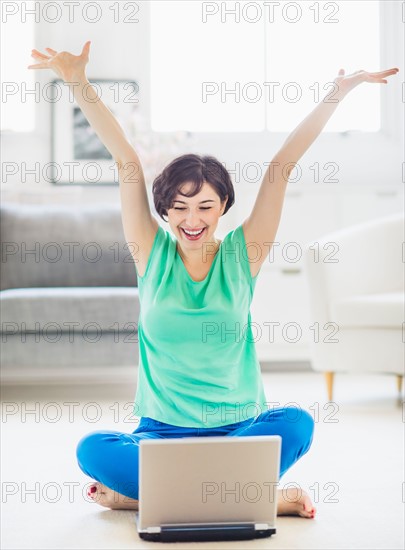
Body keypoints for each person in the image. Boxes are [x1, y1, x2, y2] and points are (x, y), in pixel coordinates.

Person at [28, 42, 398, 518]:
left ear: (224, 206)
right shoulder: (150, 253)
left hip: (238, 431)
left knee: (298, 423)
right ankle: (248, 495)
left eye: (205, 206)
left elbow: (280, 169)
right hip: (160, 433)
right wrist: (78, 83)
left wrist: (337, 94)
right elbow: (126, 163)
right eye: (179, 208)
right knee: (92, 449)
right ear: (163, 211)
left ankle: (153, 495)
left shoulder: (244, 255)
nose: (192, 219)